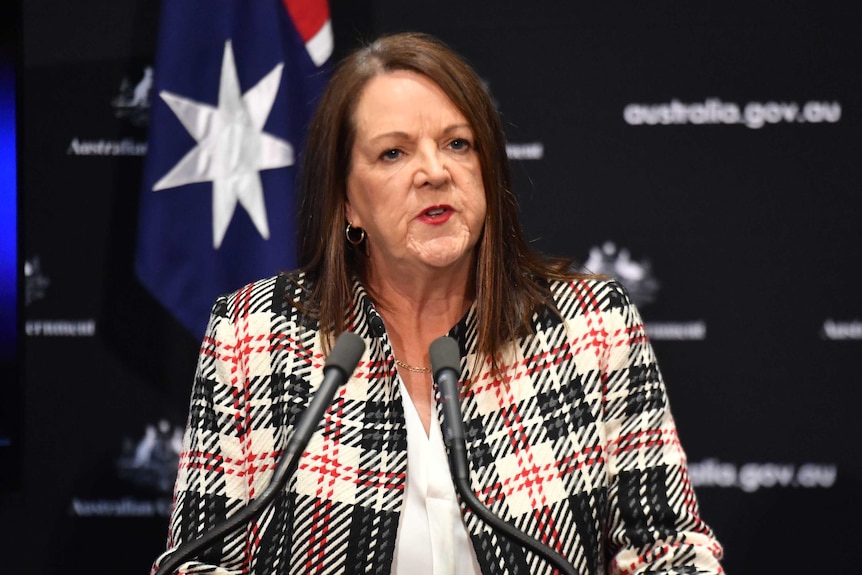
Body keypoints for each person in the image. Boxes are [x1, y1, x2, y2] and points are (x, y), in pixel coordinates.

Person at [152, 32, 724, 575]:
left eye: (457, 144)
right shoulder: (256, 335)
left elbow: (668, 548)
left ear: (487, 169)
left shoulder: (589, 326)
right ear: (348, 202)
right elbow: (203, 559)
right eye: (394, 154)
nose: (434, 172)